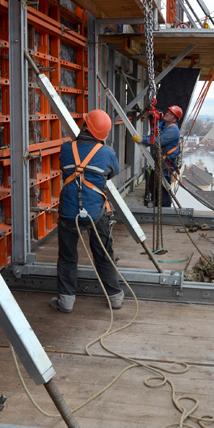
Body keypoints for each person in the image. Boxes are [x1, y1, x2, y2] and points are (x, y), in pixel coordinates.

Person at [50, 109, 124, 314]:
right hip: (95, 213)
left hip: (68, 213)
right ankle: (115, 297)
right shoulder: (107, 153)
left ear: (85, 126)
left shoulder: (66, 149)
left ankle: (66, 302)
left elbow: (64, 168)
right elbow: (112, 172)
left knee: (67, 257)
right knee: (103, 253)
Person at [132, 105, 183, 207]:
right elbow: (153, 135)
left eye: (170, 114)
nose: (167, 113)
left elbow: (157, 141)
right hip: (158, 163)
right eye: (167, 111)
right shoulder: (163, 124)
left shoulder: (173, 130)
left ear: (174, 119)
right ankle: (157, 205)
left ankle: (165, 212)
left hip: (165, 165)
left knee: (163, 191)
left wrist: (142, 140)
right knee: (152, 186)